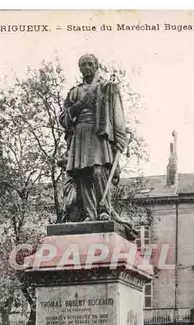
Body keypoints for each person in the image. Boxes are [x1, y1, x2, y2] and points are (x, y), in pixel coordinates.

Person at [59, 53, 127, 223]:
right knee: (83, 174)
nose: (87, 68)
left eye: (90, 64)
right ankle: (91, 214)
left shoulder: (107, 88)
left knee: (98, 171)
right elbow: (63, 119)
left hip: (98, 135)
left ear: (97, 66)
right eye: (83, 65)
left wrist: (120, 140)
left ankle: (104, 209)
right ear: (79, 69)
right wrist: (79, 105)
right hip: (80, 136)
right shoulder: (74, 92)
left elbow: (118, 116)